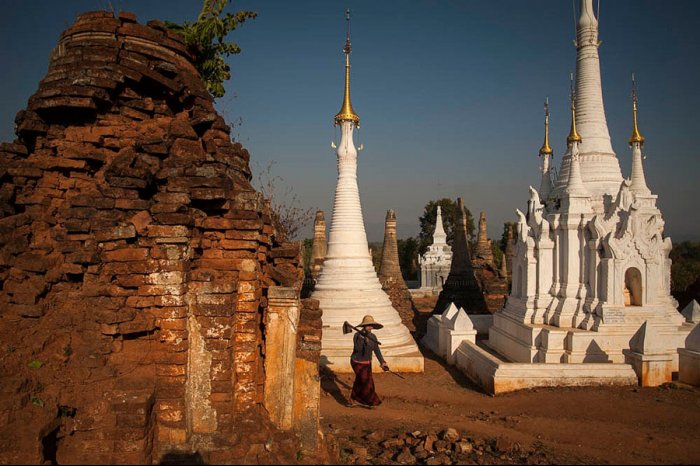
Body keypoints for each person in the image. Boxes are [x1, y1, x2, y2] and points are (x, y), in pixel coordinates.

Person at [348, 315, 389, 408]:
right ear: (364, 326)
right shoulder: (357, 335)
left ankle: (352, 399)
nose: (370, 327)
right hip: (357, 362)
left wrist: (382, 362)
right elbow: (357, 349)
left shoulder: (373, 337)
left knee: (360, 381)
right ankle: (372, 401)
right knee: (366, 382)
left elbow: (376, 350)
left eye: (371, 325)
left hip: (367, 362)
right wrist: (363, 340)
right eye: (368, 325)